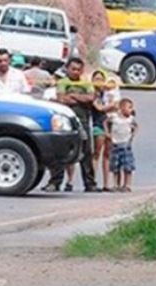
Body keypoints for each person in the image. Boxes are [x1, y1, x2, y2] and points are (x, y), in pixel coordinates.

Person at [44, 57, 98, 193]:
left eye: (78, 69)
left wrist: (73, 95)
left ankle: (90, 183)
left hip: (83, 121)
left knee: (86, 152)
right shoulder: (62, 82)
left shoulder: (86, 83)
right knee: (61, 152)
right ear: (67, 69)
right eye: (73, 69)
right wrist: (80, 98)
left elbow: (91, 97)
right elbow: (62, 99)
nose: (76, 72)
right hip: (65, 122)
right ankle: (55, 182)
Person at [91, 70, 118, 191]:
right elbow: (99, 108)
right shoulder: (92, 93)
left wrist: (111, 105)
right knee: (96, 153)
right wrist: (110, 106)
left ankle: (107, 184)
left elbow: (116, 105)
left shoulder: (108, 93)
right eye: (96, 79)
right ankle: (92, 181)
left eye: (101, 79)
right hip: (98, 124)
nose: (99, 81)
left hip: (111, 124)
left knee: (108, 154)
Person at [105, 98, 138, 192]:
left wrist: (133, 135)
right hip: (115, 144)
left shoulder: (130, 119)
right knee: (115, 166)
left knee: (128, 166)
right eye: (129, 107)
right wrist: (107, 133)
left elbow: (136, 126)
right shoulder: (114, 117)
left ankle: (127, 184)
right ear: (122, 108)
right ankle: (116, 184)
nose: (131, 110)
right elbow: (106, 122)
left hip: (126, 144)